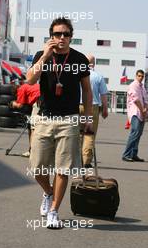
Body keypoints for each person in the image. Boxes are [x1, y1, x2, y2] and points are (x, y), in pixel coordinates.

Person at [26, 17, 93, 229]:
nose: (61, 38)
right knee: (37, 168)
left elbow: (87, 90)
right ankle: (48, 192)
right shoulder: (41, 56)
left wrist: (87, 117)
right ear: (51, 36)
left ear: (71, 37)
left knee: (63, 170)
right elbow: (29, 80)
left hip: (69, 119)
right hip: (44, 118)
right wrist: (45, 55)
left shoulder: (79, 59)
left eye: (65, 34)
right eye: (57, 34)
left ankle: (54, 211)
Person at [80, 54, 108, 168]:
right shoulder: (98, 76)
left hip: (78, 106)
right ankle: (86, 161)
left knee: (77, 134)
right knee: (89, 134)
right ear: (94, 64)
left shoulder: (78, 75)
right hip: (92, 107)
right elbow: (104, 95)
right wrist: (105, 109)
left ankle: (75, 159)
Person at [122, 69, 148, 162]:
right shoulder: (133, 86)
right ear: (136, 76)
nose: (141, 78)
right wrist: (143, 110)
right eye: (139, 76)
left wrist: (145, 111)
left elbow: (146, 100)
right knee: (135, 132)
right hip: (135, 112)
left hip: (142, 113)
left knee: (138, 134)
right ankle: (126, 154)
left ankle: (134, 154)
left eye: (142, 76)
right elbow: (136, 100)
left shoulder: (142, 87)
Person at [10, 83, 40, 157]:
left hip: (39, 101)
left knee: (33, 128)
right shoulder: (28, 86)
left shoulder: (21, 89)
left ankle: (32, 152)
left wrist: (13, 104)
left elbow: (20, 105)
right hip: (46, 100)